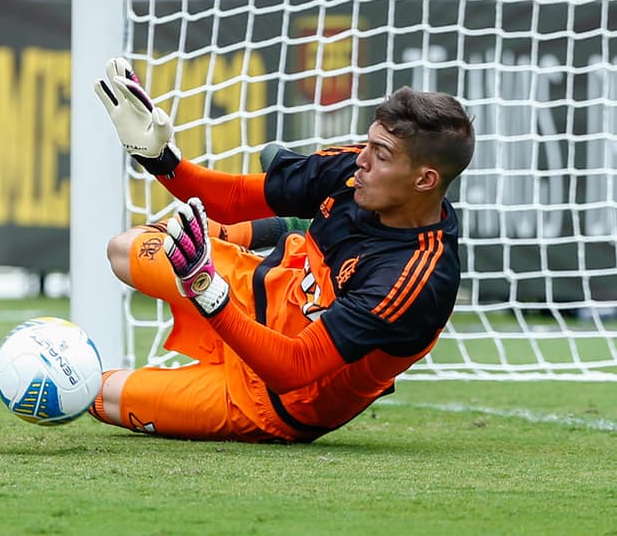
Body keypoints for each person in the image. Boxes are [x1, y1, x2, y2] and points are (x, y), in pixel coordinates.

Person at [89, 57, 475, 443]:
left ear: (425, 180)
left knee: (98, 393)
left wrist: (207, 291)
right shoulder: (354, 169)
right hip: (266, 293)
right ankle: (283, 225)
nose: (362, 158)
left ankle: (274, 234)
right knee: (123, 249)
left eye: (382, 154)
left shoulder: (413, 280)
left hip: (280, 399)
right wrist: (161, 160)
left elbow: (293, 368)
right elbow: (235, 197)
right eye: (369, 142)